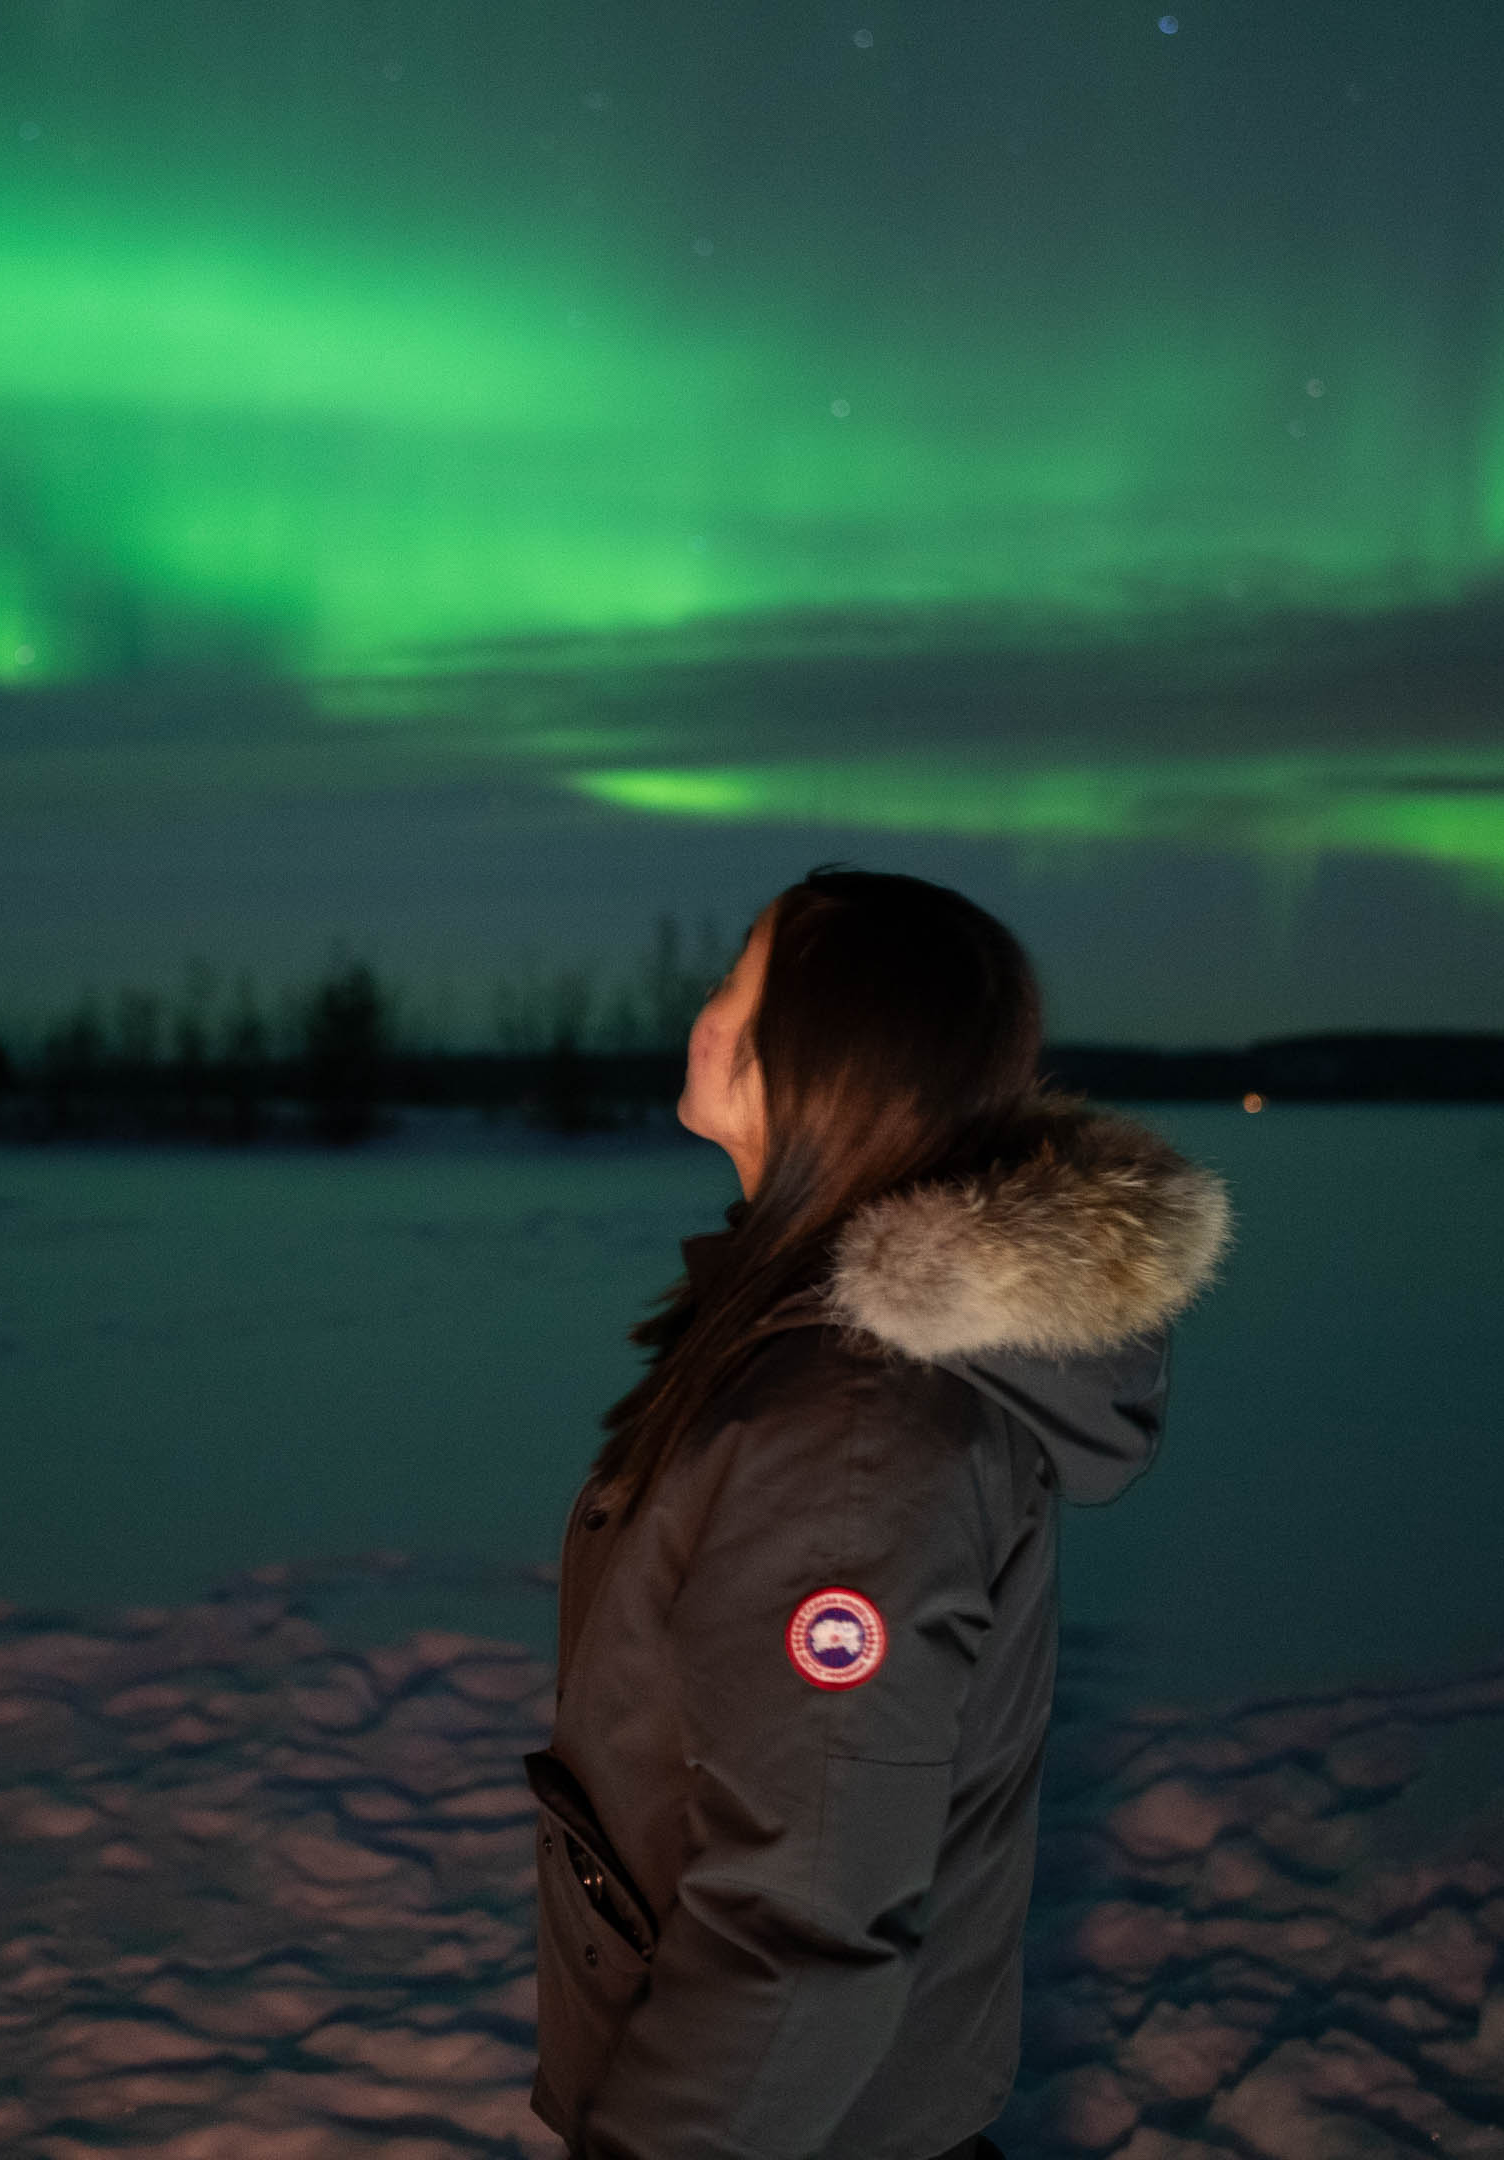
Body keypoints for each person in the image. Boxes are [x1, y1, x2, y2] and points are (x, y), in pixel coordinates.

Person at [530, 868, 1232, 2160]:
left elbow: (799, 1927)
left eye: (736, 982)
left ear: (829, 1051)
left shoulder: (848, 1434)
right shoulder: (820, 1366)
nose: (703, 1010)